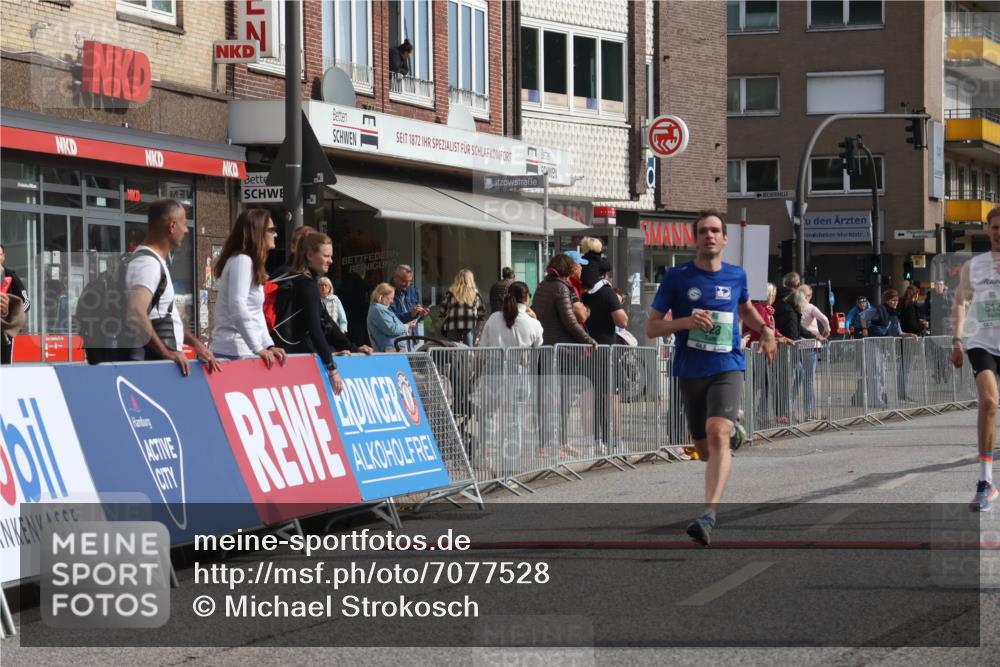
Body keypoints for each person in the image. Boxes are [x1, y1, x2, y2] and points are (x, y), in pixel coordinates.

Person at [644, 209, 776, 546]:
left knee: (717, 434)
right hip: (690, 368)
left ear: (725, 238)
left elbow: (745, 309)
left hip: (727, 365)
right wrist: (685, 322)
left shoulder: (736, 275)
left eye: (715, 230)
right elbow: (651, 327)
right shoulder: (677, 278)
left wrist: (766, 330)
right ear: (695, 238)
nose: (710, 236)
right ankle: (732, 434)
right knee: (703, 449)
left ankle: (708, 514)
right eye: (703, 231)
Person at [124, 199, 220, 376]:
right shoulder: (147, 264)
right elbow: (136, 313)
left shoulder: (153, 261)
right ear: (172, 225)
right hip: (155, 367)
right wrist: (166, 352)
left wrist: (195, 343)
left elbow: (160, 317)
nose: (186, 230)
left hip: (160, 364)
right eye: (184, 224)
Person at [951, 208, 1000, 511]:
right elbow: (960, 301)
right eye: (995, 227)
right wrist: (957, 339)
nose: (999, 232)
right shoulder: (974, 266)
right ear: (987, 229)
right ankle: (985, 482)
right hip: (982, 343)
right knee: (989, 402)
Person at [210, 209, 286, 368]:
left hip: (245, 350)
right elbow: (237, 307)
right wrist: (258, 347)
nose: (276, 235)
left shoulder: (248, 262)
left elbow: (256, 313)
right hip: (234, 351)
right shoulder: (242, 261)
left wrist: (268, 345)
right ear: (257, 232)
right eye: (272, 230)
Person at [272, 232, 344, 394]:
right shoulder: (307, 284)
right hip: (294, 358)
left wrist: (349, 346)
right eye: (326, 255)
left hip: (277, 351)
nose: (330, 260)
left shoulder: (286, 276)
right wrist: (332, 369)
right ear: (310, 255)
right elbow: (315, 328)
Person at [582, 262, 628, 449]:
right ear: (605, 275)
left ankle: (592, 440)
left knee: (590, 395)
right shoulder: (607, 293)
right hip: (607, 349)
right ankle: (615, 440)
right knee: (611, 396)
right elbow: (622, 321)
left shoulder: (583, 294)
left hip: (586, 349)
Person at [532, 254, 597, 346]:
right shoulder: (561, 288)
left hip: (544, 342)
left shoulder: (543, 284)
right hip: (561, 345)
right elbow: (570, 320)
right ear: (568, 269)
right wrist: (588, 340)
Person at [797, 284, 830, 421]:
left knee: (796, 379)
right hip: (811, 345)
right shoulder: (810, 308)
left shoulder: (795, 308)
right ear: (807, 296)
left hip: (797, 345)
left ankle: (788, 412)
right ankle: (809, 413)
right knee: (809, 381)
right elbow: (824, 319)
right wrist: (826, 331)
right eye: (810, 295)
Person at [479, 282, 544, 348]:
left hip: (494, 358)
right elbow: (538, 348)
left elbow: (482, 347)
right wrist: (534, 318)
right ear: (526, 297)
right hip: (523, 358)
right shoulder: (534, 324)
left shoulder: (493, 318)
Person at [439, 269, 486, 346]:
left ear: (457, 279)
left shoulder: (451, 292)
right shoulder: (475, 293)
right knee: (469, 353)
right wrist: (479, 326)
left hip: (452, 325)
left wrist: (445, 316)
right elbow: (481, 312)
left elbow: (442, 310)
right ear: (471, 280)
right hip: (469, 326)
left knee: (453, 351)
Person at [0, 243, 30, 365]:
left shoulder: (11, 277)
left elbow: (27, 301)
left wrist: (13, 315)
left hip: (6, 330)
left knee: (6, 364)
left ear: (3, 256)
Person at [368, 282, 418, 352]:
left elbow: (393, 326)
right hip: (391, 350)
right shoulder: (379, 309)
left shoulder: (381, 309)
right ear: (381, 296)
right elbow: (392, 329)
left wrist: (404, 330)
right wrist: (407, 326)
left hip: (394, 348)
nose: (392, 301)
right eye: (391, 298)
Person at [390, 264, 428, 344]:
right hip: (397, 340)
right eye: (404, 281)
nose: (407, 284)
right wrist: (411, 314)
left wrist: (421, 314)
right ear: (396, 278)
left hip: (413, 339)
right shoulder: (388, 293)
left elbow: (419, 319)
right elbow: (392, 321)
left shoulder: (414, 291)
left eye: (410, 281)